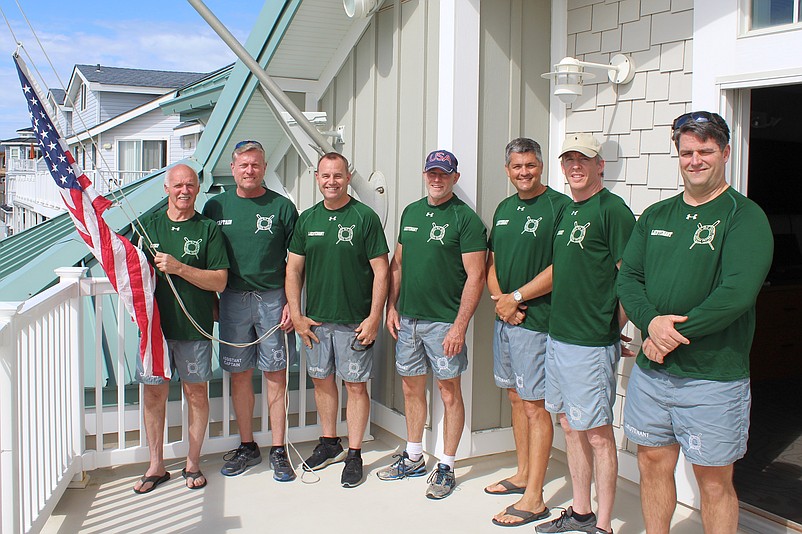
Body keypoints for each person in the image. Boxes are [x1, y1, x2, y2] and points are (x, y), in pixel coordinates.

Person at [617, 112, 773, 534]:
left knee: (714, 481)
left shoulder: (744, 216)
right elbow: (628, 278)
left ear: (724, 153)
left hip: (713, 378)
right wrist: (651, 324)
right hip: (653, 375)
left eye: (705, 151)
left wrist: (668, 335)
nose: (695, 160)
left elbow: (736, 294)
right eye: (687, 152)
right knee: (651, 464)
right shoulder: (656, 215)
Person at [535, 134, 635, 534]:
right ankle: (580, 513)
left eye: (584, 159)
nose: (575, 166)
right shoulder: (566, 211)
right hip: (558, 337)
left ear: (600, 167)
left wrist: (614, 328)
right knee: (570, 425)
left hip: (590, 343)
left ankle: (604, 525)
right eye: (569, 159)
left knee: (596, 434)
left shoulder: (613, 210)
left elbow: (630, 276)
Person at [379, 149, 487, 500]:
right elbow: (397, 264)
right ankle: (413, 456)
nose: (436, 178)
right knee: (411, 388)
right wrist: (391, 307)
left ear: (454, 178)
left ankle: (447, 465)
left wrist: (459, 326)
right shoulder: (411, 212)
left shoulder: (466, 220)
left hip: (443, 324)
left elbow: (476, 276)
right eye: (431, 172)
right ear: (425, 174)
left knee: (448, 392)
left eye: (444, 173)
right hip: (407, 319)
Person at [285, 152, 389, 488]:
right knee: (321, 382)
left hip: (354, 322)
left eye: (338, 176)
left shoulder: (364, 217)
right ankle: (330, 443)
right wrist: (297, 316)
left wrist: (375, 316)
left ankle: (355, 453)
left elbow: (381, 271)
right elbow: (293, 270)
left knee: (356, 386)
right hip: (316, 323)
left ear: (347, 177)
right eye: (326, 176)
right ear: (317, 177)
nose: (332, 182)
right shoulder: (307, 219)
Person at [486, 138, 571, 526]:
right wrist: (501, 299)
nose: (524, 172)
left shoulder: (559, 207)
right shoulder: (504, 208)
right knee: (516, 398)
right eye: (517, 166)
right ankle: (523, 475)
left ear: (541, 167)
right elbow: (492, 261)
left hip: (536, 323)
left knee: (536, 407)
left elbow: (562, 268)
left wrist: (516, 298)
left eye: (531, 166)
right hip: (506, 319)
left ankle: (535, 498)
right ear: (507, 170)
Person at [202, 140, 299, 482]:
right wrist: (212, 301)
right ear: (233, 169)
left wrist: (292, 302)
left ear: (263, 166)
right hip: (232, 300)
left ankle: (278, 449)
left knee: (276, 374)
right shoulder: (215, 207)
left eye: (255, 165)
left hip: (274, 299)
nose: (249, 171)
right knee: (239, 374)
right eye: (243, 165)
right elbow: (206, 259)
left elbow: (297, 263)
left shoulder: (282, 208)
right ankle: (247, 446)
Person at [134, 163, 229, 493]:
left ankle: (192, 462)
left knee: (196, 394)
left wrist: (179, 268)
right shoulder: (150, 228)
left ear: (197, 189)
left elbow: (219, 278)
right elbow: (135, 277)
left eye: (190, 185)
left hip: (194, 329)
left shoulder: (207, 230)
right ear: (167, 189)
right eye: (178, 185)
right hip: (157, 332)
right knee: (153, 395)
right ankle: (156, 465)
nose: (184, 191)